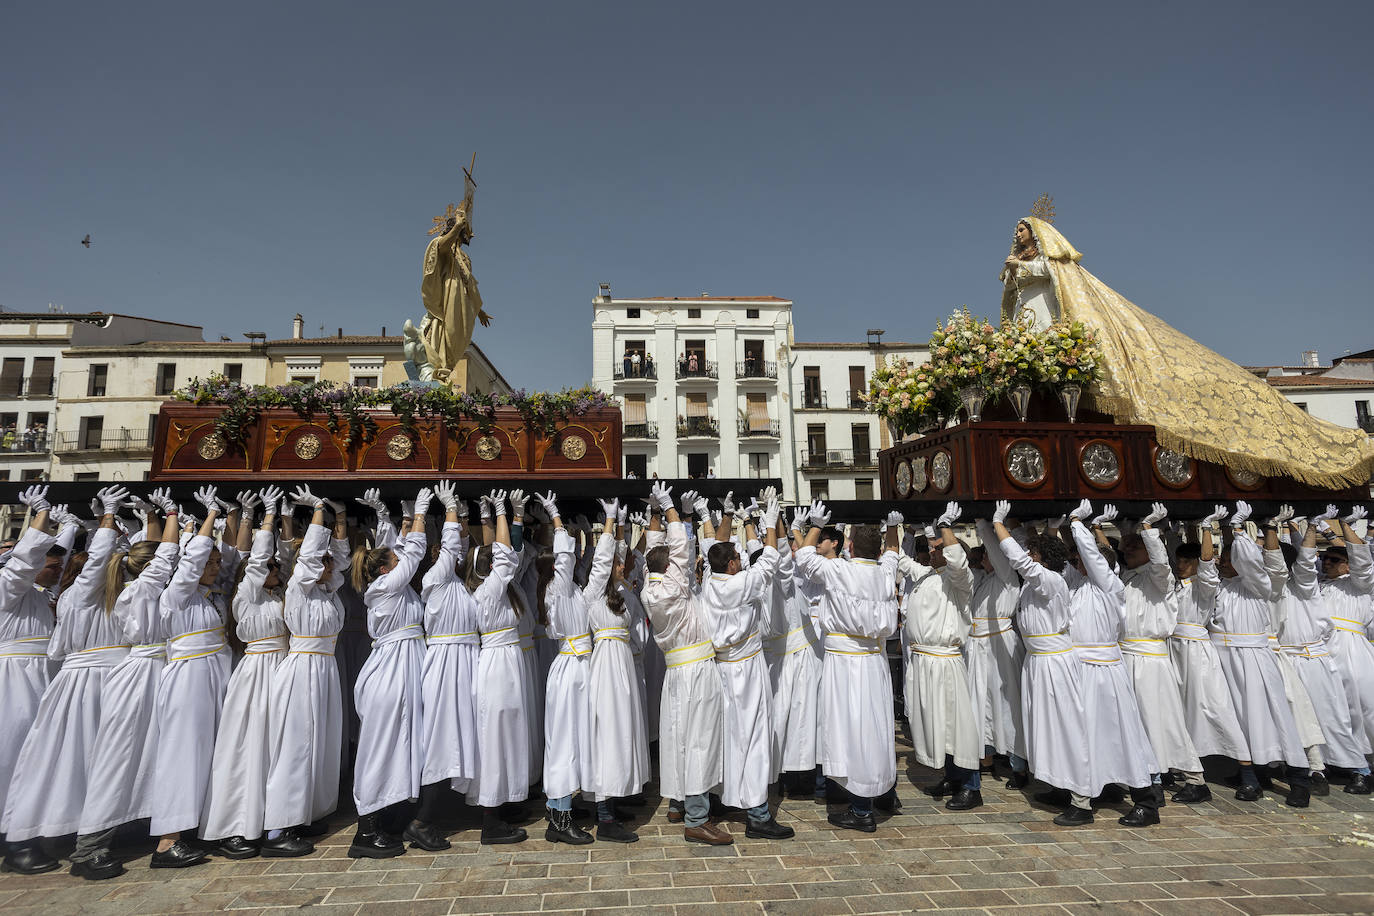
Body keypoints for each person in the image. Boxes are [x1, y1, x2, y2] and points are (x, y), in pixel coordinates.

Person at [997, 216, 1373, 488]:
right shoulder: (1019, 261)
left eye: (1022, 228)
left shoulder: (1055, 262)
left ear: (1039, 233)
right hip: (1030, 317)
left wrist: (1023, 268)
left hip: (1050, 314)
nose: (1017, 234)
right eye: (1016, 230)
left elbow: (1048, 273)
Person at [1, 487, 127, 874]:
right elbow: (27, 562)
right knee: (16, 756)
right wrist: (39, 515)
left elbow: (71, 567)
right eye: (49, 566)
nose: (56, 570)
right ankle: (16, 838)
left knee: (47, 756)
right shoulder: (7, 591)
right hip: (15, 682)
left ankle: (42, 828)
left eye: (58, 567)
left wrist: (69, 528)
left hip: (44, 677)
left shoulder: (42, 595)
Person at [70, 494, 179, 880]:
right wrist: (170, 515)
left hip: (155, 673)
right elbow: (163, 556)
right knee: (118, 759)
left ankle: (145, 827)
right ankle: (89, 848)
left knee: (154, 756)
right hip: (140, 676)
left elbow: (156, 556)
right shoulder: (140, 590)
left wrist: (153, 516)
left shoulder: (141, 586)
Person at [794, 501, 899, 832]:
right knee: (876, 728)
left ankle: (860, 808)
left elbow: (805, 557)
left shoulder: (839, 569)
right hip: (874, 661)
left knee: (849, 730)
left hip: (843, 662)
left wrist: (813, 524)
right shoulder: (885, 573)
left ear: (849, 546)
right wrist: (894, 526)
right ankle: (883, 794)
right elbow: (894, 552)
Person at [991, 501, 1094, 825]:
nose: (1029, 558)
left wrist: (997, 525)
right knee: (1045, 729)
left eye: (1033, 554)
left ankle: (1082, 800)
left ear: (1043, 559)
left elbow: (1021, 562)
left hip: (1054, 663)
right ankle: (1060, 786)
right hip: (1038, 663)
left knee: (1066, 727)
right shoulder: (1035, 587)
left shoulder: (1050, 580)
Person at [202, 490, 291, 858]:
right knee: (247, 749)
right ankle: (234, 827)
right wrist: (265, 517)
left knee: (275, 749)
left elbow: (289, 560)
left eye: (275, 567)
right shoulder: (245, 597)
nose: (274, 570)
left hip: (280, 671)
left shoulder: (276, 597)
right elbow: (256, 562)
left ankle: (276, 820)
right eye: (268, 567)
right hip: (256, 676)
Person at [347, 486, 435, 857]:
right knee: (379, 749)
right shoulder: (384, 587)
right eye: (393, 563)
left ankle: (389, 818)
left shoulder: (390, 585)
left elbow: (398, 551)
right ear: (383, 571)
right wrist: (421, 512)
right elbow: (411, 553)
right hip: (390, 675)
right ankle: (365, 833)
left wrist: (395, 516)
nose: (399, 564)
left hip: (402, 668)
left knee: (399, 747)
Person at [642, 486, 732, 845]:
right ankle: (697, 818)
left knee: (680, 738)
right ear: (671, 570)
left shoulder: (653, 587)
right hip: (696, 670)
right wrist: (672, 512)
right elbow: (681, 551)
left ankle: (679, 803)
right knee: (699, 740)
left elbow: (659, 553)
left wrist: (658, 516)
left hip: (678, 672)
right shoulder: (671, 590)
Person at [699, 496, 792, 839]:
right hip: (747, 671)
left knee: (726, 738)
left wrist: (727, 520)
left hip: (721, 669)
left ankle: (724, 795)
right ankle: (757, 813)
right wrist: (768, 522)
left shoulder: (709, 585)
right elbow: (769, 562)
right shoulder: (741, 585)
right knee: (753, 738)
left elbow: (712, 550)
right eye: (738, 557)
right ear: (735, 565)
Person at [262, 487, 348, 855]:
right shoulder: (299, 587)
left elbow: (340, 560)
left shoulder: (328, 592)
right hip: (302, 671)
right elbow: (312, 554)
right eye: (324, 561)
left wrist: (339, 521)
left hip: (324, 669)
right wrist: (317, 512)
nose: (329, 564)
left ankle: (304, 814)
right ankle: (278, 829)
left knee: (321, 745)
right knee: (297, 744)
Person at [1064, 503, 1160, 827]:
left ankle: (1145, 801)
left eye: (1081, 559)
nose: (1076, 563)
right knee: (1084, 736)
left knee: (1124, 735)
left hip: (1105, 672)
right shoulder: (1078, 588)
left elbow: (1093, 556)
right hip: (1082, 670)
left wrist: (1079, 522)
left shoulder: (1110, 587)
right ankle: (1083, 798)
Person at [1211, 501, 1310, 805]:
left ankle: (1298, 779)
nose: (1224, 564)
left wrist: (1240, 531)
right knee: (1239, 722)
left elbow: (1256, 563)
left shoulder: (1257, 585)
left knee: (1273, 718)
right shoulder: (1220, 587)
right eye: (1224, 559)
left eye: (1229, 559)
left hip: (1253, 659)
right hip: (1225, 660)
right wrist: (1225, 528)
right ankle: (1250, 778)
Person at [892, 503, 981, 811]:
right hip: (924, 661)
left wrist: (946, 527)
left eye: (937, 547)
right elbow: (901, 561)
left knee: (955, 723)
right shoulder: (929, 575)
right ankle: (952, 775)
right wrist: (894, 527)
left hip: (944, 661)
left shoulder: (959, 581)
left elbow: (957, 560)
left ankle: (971, 785)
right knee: (935, 723)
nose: (930, 549)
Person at [1116, 504, 1206, 804]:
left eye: (1134, 546)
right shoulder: (1126, 577)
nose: (1127, 550)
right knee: (1135, 722)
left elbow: (1160, 563)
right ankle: (1147, 775)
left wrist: (1149, 531)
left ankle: (1193, 778)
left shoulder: (1160, 579)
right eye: (1126, 546)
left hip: (1150, 660)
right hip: (1127, 655)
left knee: (1161, 721)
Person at [1169, 508, 1251, 793]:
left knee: (1215, 710)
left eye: (1185, 561)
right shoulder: (1178, 586)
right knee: (1180, 712)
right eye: (1178, 560)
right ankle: (1185, 771)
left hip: (1197, 654)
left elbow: (1206, 563)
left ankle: (1248, 774)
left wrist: (1206, 529)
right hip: (1176, 651)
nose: (1181, 565)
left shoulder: (1203, 587)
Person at [466, 489, 531, 845]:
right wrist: (502, 511)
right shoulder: (488, 592)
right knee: (495, 739)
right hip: (497, 666)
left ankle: (503, 804)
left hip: (502, 662)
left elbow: (500, 554)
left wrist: (492, 519)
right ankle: (491, 821)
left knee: (505, 735)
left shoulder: (491, 589)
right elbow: (504, 556)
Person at [416, 482, 480, 833]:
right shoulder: (435, 578)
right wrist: (450, 509)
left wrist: (465, 516)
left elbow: (463, 547)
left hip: (465, 661)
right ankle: (423, 819)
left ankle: (458, 801)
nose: (455, 556)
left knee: (464, 734)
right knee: (443, 737)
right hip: (445, 665)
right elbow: (454, 544)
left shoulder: (458, 582)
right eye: (446, 552)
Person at [584, 498, 649, 842]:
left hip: (622, 664)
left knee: (623, 732)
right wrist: (609, 520)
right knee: (608, 733)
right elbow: (602, 562)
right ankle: (604, 815)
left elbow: (622, 557)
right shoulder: (593, 595)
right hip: (607, 667)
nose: (622, 567)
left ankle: (618, 794)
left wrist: (621, 528)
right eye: (617, 564)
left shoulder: (621, 592)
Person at [536, 491, 595, 845]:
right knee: (564, 743)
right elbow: (567, 556)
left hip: (574, 667)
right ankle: (558, 818)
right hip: (571, 668)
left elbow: (580, 561)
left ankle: (565, 803)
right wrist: (555, 517)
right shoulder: (558, 588)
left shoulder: (567, 589)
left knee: (574, 738)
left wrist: (585, 536)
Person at [969, 518, 1027, 787]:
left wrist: (985, 527)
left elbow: (997, 553)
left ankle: (1018, 765)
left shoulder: (1007, 577)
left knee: (1007, 704)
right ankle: (986, 758)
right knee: (981, 704)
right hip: (980, 647)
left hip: (1000, 646)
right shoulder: (986, 580)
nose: (984, 558)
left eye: (987, 553)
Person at [418, 172, 492, 384]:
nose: (470, 232)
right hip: (448, 296)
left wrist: (479, 310)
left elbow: (471, 284)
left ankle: (444, 371)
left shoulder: (465, 257)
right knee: (446, 334)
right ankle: (438, 372)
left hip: (461, 301)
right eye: (465, 228)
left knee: (457, 338)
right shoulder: (443, 244)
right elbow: (439, 248)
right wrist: (457, 225)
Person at [1318, 507, 1374, 782]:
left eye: (1333, 559)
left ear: (1348, 564)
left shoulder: (1360, 585)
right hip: (1325, 650)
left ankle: (1362, 766)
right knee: (1332, 709)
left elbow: (1363, 559)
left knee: (1360, 709)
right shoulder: (1320, 585)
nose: (1326, 563)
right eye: (1324, 558)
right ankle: (1336, 760)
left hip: (1352, 653)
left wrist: (1343, 525)